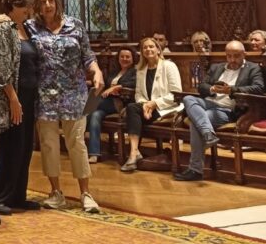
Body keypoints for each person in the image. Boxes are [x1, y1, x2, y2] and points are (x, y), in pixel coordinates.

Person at [27, 0, 104, 213]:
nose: (47, 5)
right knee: (49, 144)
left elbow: (87, 55)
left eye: (50, 0)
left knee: (76, 142)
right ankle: (56, 192)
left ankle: (85, 193)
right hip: (45, 95)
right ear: (37, 6)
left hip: (74, 93)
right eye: (43, 2)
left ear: (57, 2)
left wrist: (97, 71)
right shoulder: (31, 28)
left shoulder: (74, 25)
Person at [174, 40, 265, 182]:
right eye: (229, 56)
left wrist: (232, 90)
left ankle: (195, 169)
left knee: (196, 121)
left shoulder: (252, 68)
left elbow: (259, 88)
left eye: (236, 56)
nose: (232, 60)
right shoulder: (217, 67)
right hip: (208, 102)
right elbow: (202, 86)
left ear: (244, 54)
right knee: (188, 99)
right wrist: (212, 89)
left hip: (227, 109)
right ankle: (208, 133)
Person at [0, 0, 41, 214]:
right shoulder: (4, 28)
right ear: (13, 6)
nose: (28, 10)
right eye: (24, 6)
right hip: (12, 97)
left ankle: (17, 195)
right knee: (11, 146)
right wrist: (13, 99)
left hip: (29, 96)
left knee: (24, 147)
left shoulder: (26, 27)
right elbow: (1, 67)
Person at [121, 37, 182, 172]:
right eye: (145, 47)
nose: (148, 49)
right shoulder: (141, 70)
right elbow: (138, 94)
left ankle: (133, 154)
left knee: (131, 109)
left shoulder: (169, 66)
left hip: (166, 107)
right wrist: (145, 105)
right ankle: (134, 152)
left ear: (158, 50)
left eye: (151, 46)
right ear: (142, 52)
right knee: (132, 108)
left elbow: (176, 94)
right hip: (146, 109)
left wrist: (154, 103)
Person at [86, 46, 137, 163]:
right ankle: (94, 154)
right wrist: (90, 83)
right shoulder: (114, 72)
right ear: (118, 58)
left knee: (89, 106)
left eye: (127, 57)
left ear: (133, 58)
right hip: (105, 103)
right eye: (122, 56)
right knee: (95, 115)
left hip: (120, 103)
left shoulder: (136, 72)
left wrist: (117, 87)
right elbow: (103, 84)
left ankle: (78, 127)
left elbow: (134, 84)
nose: (124, 59)